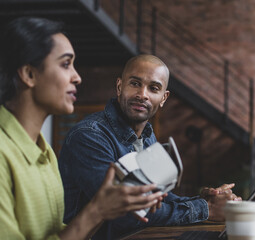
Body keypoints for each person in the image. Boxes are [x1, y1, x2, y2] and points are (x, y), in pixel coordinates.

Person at [0, 17, 164, 240]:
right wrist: (97, 210)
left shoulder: (44, 152)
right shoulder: (4, 154)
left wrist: (102, 208)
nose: (77, 77)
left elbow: (57, 234)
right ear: (29, 74)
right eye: (66, 64)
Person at [58, 54, 240, 239]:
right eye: (135, 84)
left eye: (153, 88)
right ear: (120, 87)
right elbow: (129, 213)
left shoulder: (147, 136)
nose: (142, 94)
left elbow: (159, 197)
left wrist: (208, 201)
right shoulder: (89, 136)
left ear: (163, 98)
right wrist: (206, 210)